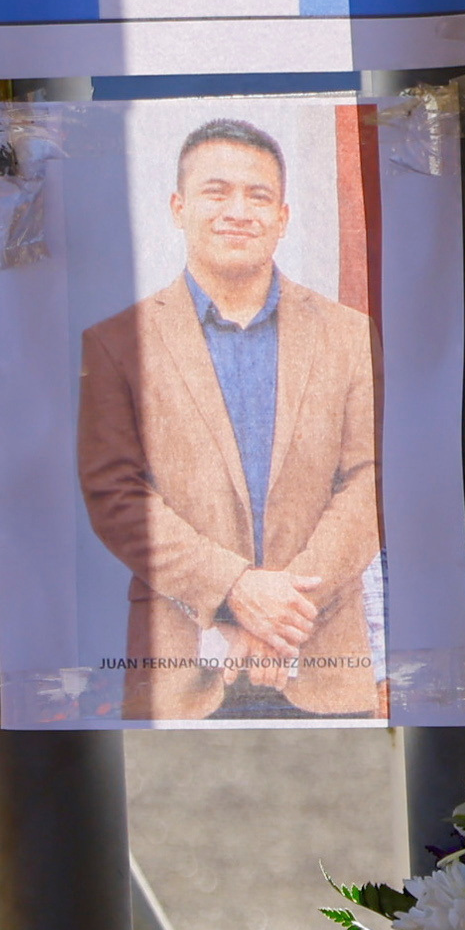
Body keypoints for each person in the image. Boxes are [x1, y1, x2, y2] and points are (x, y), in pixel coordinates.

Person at [75, 114, 380, 724]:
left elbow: (373, 482)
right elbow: (115, 494)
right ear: (179, 207)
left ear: (283, 218)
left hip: (322, 665)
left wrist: (282, 617)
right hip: (179, 671)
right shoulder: (117, 342)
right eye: (217, 192)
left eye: (258, 195)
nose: (237, 210)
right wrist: (238, 593)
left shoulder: (348, 336)